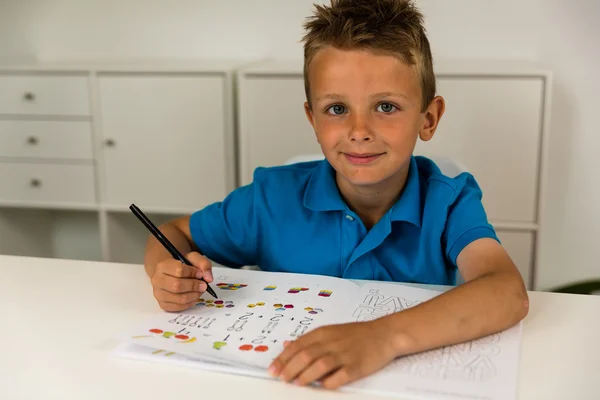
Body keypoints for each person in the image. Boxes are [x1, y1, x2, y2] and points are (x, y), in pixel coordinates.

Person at [143, 0, 529, 390]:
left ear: (428, 119)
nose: (359, 130)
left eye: (385, 106)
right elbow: (173, 234)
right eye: (337, 108)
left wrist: (382, 337)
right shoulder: (270, 199)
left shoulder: (449, 202)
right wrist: (168, 275)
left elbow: (506, 291)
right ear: (313, 119)